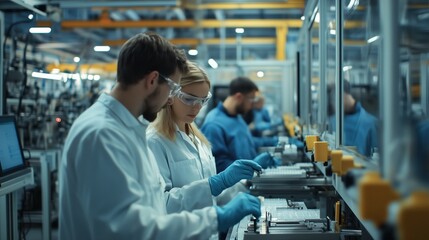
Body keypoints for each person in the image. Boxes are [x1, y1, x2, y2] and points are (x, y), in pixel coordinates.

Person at [59, 32, 261, 240]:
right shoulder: (102, 135)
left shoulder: (128, 129)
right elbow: (130, 230)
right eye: (172, 88)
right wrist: (215, 219)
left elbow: (154, 207)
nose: (169, 99)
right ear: (153, 80)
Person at [147, 61, 261, 239]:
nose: (197, 107)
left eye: (203, 100)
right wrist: (214, 184)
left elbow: (213, 197)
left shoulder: (199, 139)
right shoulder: (155, 142)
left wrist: (241, 187)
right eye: (189, 99)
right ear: (170, 95)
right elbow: (162, 205)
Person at [201, 76, 280, 173]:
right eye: (251, 100)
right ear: (239, 97)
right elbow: (218, 165)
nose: (252, 105)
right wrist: (250, 165)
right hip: (234, 186)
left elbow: (246, 142)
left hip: (248, 179)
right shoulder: (214, 125)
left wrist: (273, 142)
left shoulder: (237, 117)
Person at [328, 80, 378, 157]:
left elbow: (376, 156)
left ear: (344, 95)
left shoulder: (370, 123)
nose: (334, 104)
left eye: (335, 99)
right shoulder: (333, 121)